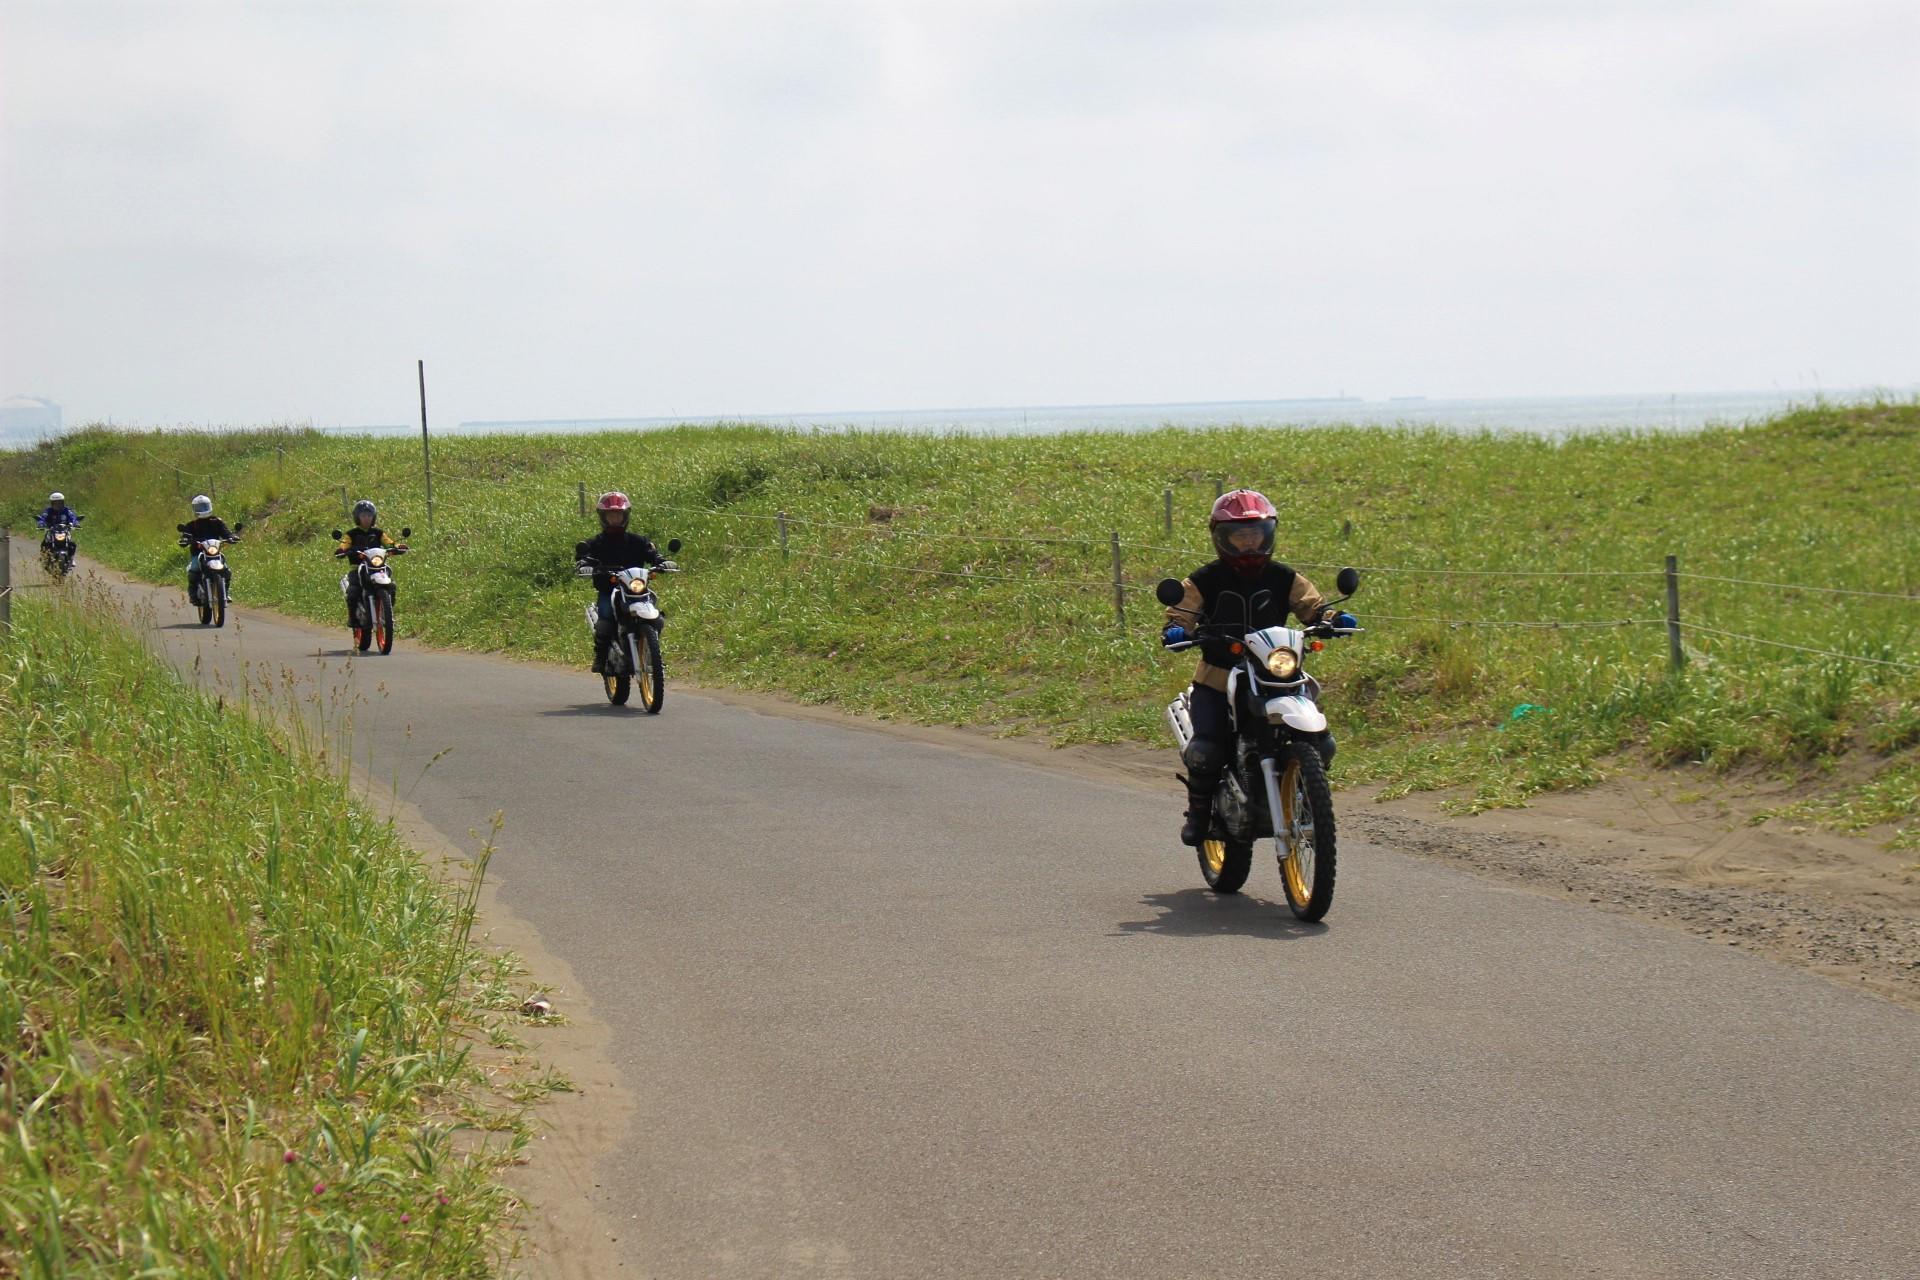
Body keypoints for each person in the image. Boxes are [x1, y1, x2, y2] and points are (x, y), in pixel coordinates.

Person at [1160, 489, 1351, 847]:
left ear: (1268, 534)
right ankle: (1200, 813)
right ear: (1222, 538)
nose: (1249, 543)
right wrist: (1175, 629)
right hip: (1219, 676)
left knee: (1322, 743)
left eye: (1256, 535)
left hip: (1275, 673)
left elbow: (1312, 606)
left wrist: (1331, 618)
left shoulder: (1283, 577)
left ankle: (1307, 793)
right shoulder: (1205, 579)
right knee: (1207, 750)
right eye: (1240, 536)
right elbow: (1182, 611)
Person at [576, 491, 669, 673]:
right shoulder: (596, 543)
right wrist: (584, 563)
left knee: (657, 619)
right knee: (606, 617)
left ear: (625, 516)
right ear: (604, 517)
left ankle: (653, 656)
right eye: (611, 515)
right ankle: (601, 658)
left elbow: (652, 553)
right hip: (608, 589)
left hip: (636, 590)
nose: (615, 519)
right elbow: (584, 555)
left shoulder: (638, 541)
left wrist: (661, 561)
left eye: (618, 515)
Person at [334, 499, 403, 627]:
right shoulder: (351, 534)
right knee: (353, 590)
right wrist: (342, 550)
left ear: (374, 517)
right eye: (363, 515)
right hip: (358, 567)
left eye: (369, 515)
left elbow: (389, 543)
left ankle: (387, 613)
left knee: (391, 585)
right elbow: (344, 544)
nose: (367, 518)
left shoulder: (378, 533)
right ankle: (352, 617)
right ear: (357, 517)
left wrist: (398, 547)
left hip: (377, 567)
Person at [180, 494, 238, 605]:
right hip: (198, 553)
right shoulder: (192, 525)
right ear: (194, 509)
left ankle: (225, 593)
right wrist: (185, 539)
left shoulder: (217, 522)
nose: (203, 509)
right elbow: (186, 535)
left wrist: (231, 537)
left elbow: (226, 532)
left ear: (210, 506)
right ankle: (193, 595)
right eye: (199, 507)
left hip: (215, 553)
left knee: (226, 571)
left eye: (205, 506)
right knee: (195, 568)